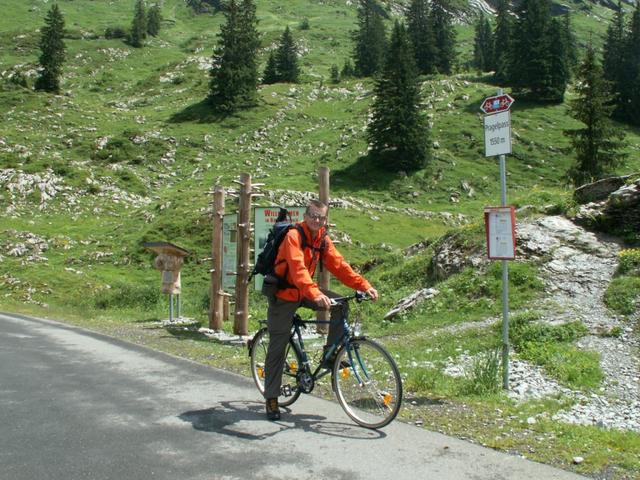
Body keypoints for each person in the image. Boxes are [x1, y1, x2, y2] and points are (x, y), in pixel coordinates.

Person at [263, 199, 378, 420]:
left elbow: (340, 266)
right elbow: (298, 270)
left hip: (305, 291)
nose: (317, 220)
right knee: (278, 345)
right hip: (284, 295)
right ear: (305, 216)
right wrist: (315, 294)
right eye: (313, 216)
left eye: (321, 217)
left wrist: (364, 285)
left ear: (325, 220)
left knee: (340, 304)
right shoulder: (293, 236)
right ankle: (271, 398)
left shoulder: (322, 239)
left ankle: (330, 355)